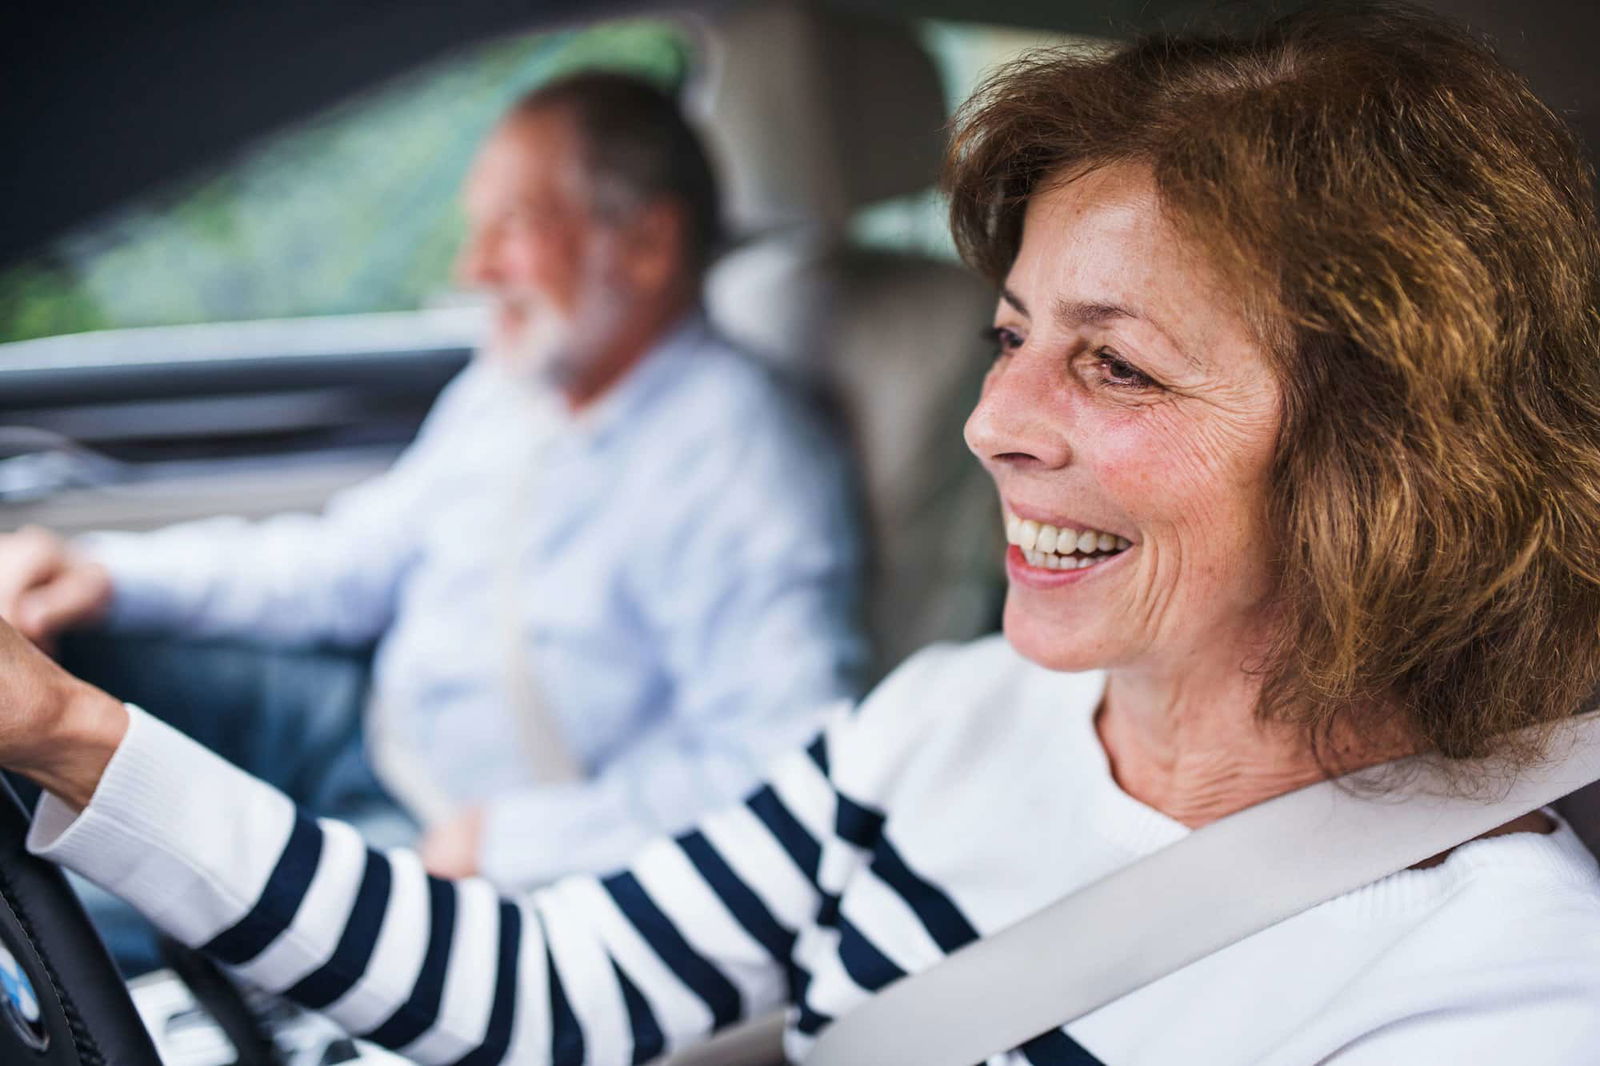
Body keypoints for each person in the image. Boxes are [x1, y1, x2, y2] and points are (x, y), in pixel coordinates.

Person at [4, 3, 1600, 1061]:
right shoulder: (950, 720)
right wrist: (73, 734)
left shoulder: (1494, 990)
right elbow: (547, 988)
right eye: (1010, 334)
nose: (995, 423)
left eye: (1111, 363)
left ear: (1388, 453)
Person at [0, 72, 866, 897]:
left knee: (79, 896)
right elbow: (349, 563)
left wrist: (512, 844)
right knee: (47, 674)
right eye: (475, 227)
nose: (472, 268)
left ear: (644, 245)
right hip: (358, 723)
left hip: (444, 836)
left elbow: (778, 763)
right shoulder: (515, 387)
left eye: (513, 227)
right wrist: (106, 577)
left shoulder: (741, 463)